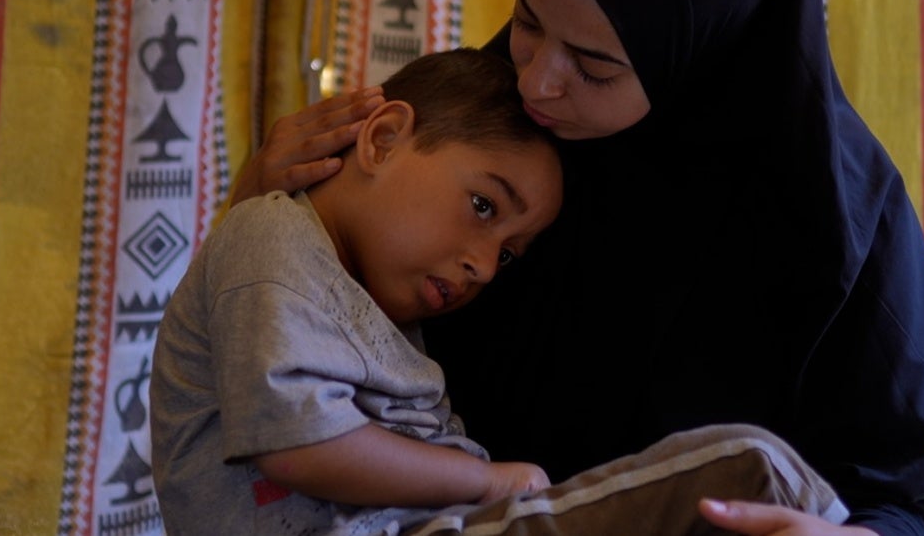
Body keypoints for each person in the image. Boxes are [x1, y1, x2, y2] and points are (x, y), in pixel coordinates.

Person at [232, 0, 924, 536]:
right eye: (526, 19)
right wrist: (262, 206)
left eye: (594, 65)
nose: (538, 80)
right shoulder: (476, 124)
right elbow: (280, 356)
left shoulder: (839, 216)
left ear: (700, 55)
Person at [152, 47, 851, 535]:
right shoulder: (268, 230)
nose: (486, 267)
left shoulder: (369, 300)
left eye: (510, 254)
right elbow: (297, 442)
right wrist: (489, 482)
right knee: (746, 470)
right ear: (384, 137)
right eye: (485, 206)